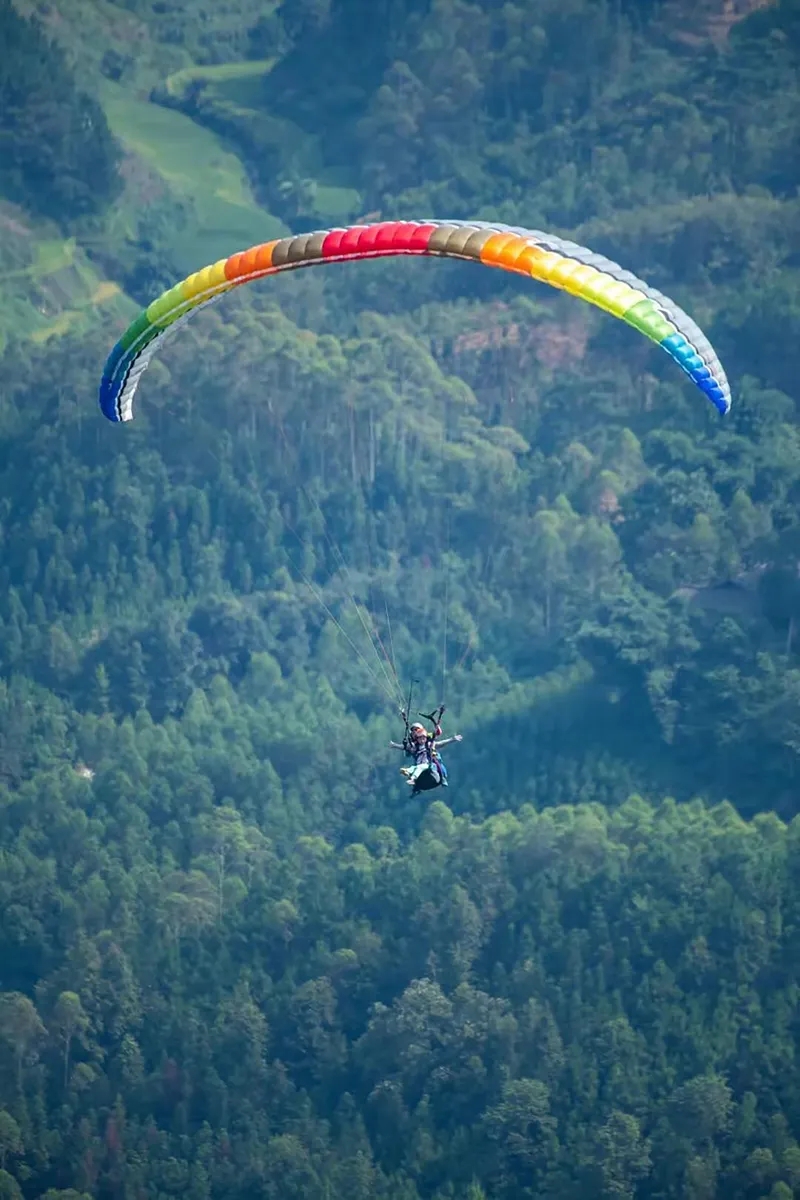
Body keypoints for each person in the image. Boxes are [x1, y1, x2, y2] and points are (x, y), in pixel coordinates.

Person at [390, 719, 463, 789]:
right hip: (419, 763)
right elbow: (405, 748)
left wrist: (452, 739)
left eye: (416, 729)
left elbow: (440, 741)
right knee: (413, 768)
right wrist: (395, 745)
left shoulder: (428, 742)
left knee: (421, 767)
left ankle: (414, 779)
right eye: (413, 730)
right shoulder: (414, 745)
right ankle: (407, 771)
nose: (415, 732)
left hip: (428, 763)